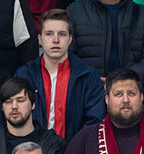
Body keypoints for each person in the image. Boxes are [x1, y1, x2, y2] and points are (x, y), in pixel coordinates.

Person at [13, 11, 105, 145]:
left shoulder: (88, 76)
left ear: (70, 39)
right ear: (39, 39)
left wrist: (74, 152)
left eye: (62, 34)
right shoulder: (24, 75)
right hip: (31, 151)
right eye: (49, 34)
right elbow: (16, 119)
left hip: (75, 152)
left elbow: (94, 123)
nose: (56, 40)